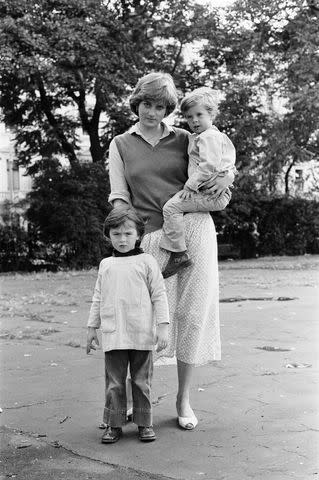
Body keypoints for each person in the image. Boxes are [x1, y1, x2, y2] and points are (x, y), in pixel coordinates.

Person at [108, 72, 235, 430]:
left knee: (193, 314)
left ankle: (184, 399)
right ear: (137, 103)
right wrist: (122, 235)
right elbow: (119, 194)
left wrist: (231, 173)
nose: (153, 111)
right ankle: (136, 398)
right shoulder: (121, 143)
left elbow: (217, 158)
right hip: (149, 238)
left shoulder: (184, 137)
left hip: (194, 230)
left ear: (168, 108)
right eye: (147, 104)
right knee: (144, 320)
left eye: (161, 106)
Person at [86, 207, 169, 444]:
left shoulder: (147, 261)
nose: (122, 239)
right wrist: (92, 327)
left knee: (141, 381)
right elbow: (98, 297)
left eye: (127, 234)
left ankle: (144, 422)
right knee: (115, 382)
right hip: (114, 334)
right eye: (116, 234)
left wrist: (163, 326)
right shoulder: (106, 265)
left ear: (138, 235)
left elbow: (159, 295)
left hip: (142, 333)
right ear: (108, 236)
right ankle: (114, 424)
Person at [160, 87, 236, 278]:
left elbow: (208, 165)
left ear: (211, 113)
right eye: (189, 116)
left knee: (171, 208)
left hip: (210, 192)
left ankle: (178, 254)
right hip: (212, 190)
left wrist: (189, 186)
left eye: (199, 115)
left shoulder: (208, 136)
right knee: (174, 207)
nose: (194, 120)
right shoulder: (209, 136)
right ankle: (179, 251)